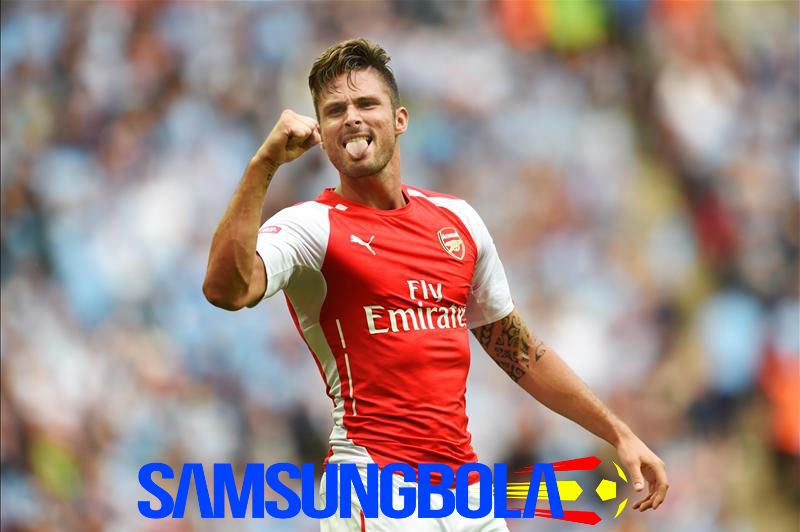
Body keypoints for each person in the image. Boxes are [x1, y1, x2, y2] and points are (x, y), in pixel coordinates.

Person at [203, 38, 668, 531]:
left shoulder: (458, 222)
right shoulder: (312, 227)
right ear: (322, 133)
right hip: (372, 485)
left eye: (366, 104)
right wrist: (263, 165)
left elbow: (520, 352)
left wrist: (618, 433)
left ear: (399, 119)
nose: (353, 118)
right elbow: (226, 290)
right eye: (336, 110)